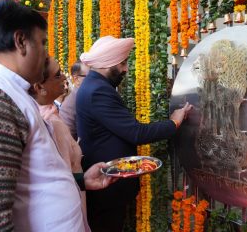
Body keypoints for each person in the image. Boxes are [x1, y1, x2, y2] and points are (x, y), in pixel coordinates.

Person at [0, 0, 112, 232]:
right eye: (42, 43)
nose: (46, 55)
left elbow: (27, 181)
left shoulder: (7, 92)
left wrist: (81, 181)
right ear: (21, 41)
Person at [77, 35, 192, 232]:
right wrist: (174, 122)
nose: (125, 69)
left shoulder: (96, 86)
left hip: (109, 183)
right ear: (107, 63)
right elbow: (136, 133)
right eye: (122, 63)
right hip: (107, 186)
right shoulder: (98, 91)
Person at [29, 57, 98, 231]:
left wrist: (83, 180)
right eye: (58, 75)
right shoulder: (46, 121)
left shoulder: (51, 115)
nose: (64, 78)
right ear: (39, 87)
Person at [59, 61, 90, 139]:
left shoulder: (86, 96)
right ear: (76, 79)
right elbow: (68, 138)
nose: (94, 80)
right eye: (89, 77)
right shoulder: (70, 104)